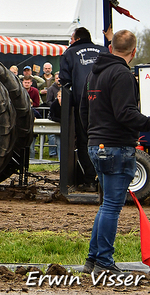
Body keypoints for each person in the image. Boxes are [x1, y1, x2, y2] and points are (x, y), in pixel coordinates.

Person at [79, 29, 150, 276]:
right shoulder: (122, 74)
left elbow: (83, 111)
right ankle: (105, 264)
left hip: (96, 144)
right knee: (111, 207)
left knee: (105, 205)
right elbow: (125, 114)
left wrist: (93, 134)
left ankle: (92, 260)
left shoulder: (93, 74)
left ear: (110, 48)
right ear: (134, 51)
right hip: (116, 146)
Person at [60, 27, 108, 191]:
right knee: (105, 138)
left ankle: (89, 180)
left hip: (84, 103)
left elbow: (65, 80)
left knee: (85, 140)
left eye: (71, 38)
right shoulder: (104, 50)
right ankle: (105, 180)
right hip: (106, 102)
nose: (70, 41)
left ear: (77, 38)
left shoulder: (69, 52)